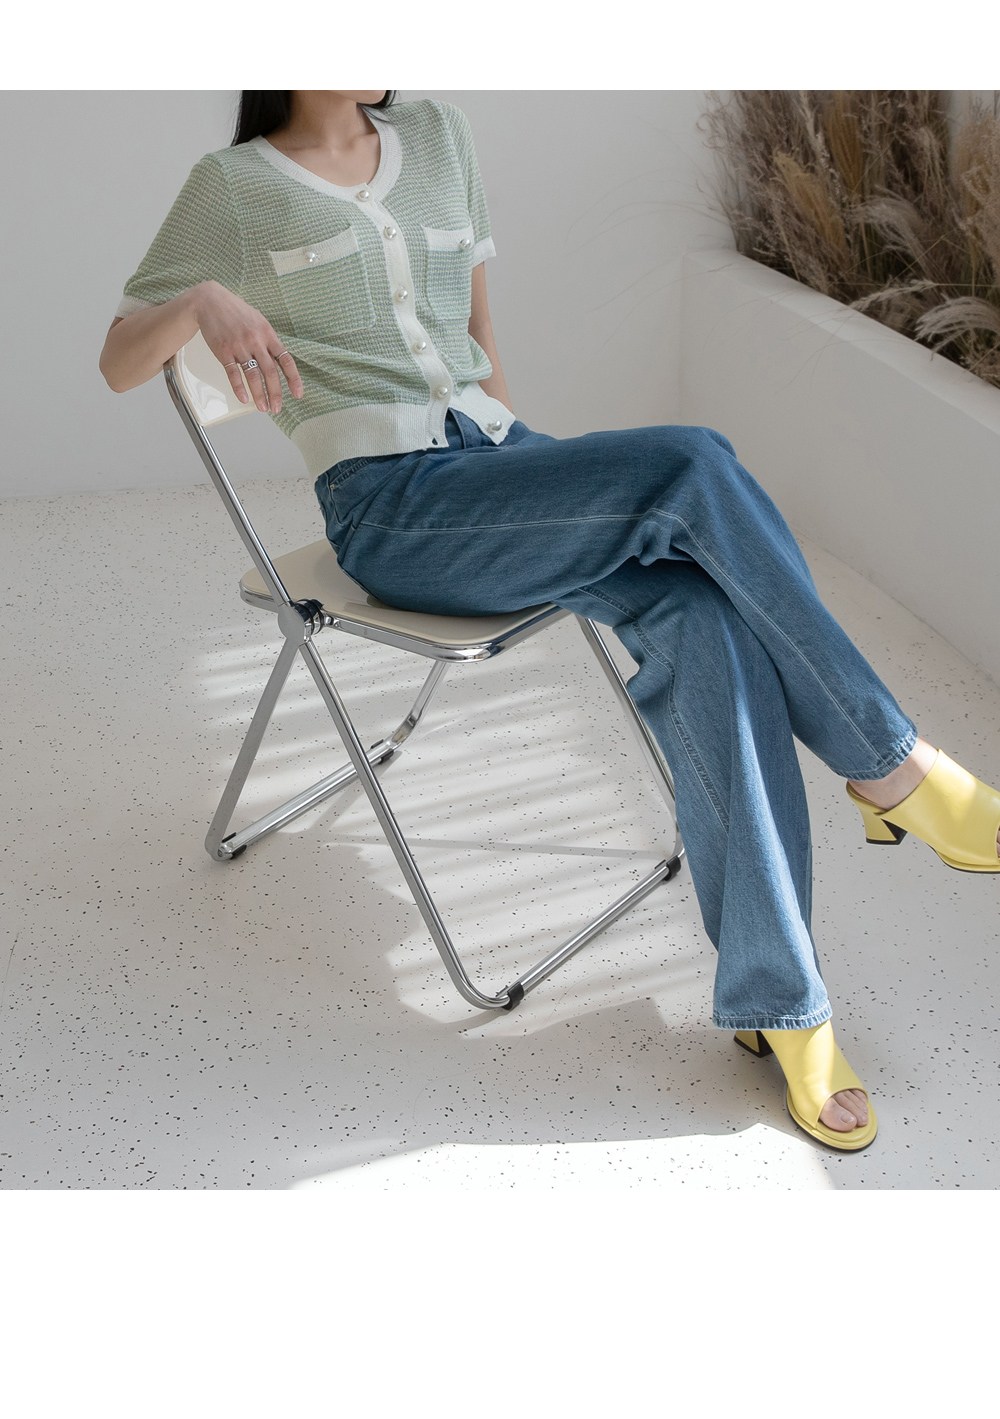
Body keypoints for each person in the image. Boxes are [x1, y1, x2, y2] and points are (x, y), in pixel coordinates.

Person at [100, 89, 1000, 1153]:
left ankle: (780, 1000)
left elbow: (477, 336)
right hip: (392, 510)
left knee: (702, 614)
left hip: (498, 467)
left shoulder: (437, 136)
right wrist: (204, 299)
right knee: (694, 462)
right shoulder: (234, 187)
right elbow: (119, 360)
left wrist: (541, 485)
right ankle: (892, 767)